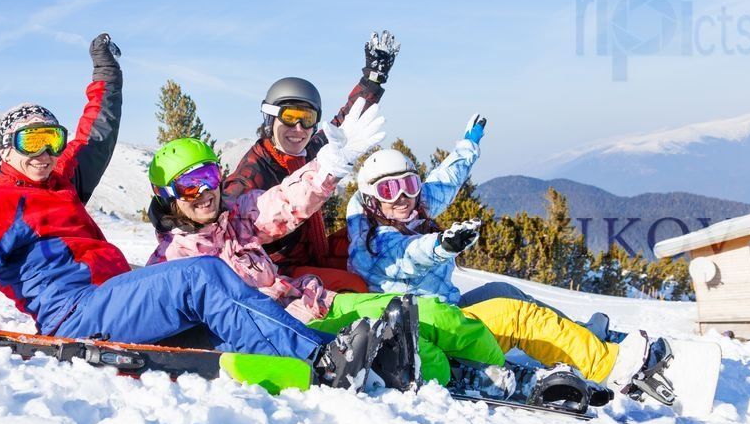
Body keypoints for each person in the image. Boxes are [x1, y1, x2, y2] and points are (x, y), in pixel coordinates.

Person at [0, 34, 383, 386]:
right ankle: (322, 360)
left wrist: (106, 74)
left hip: (115, 296)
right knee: (201, 275)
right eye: (30, 140)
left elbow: (94, 133)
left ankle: (340, 350)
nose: (45, 152)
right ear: (4, 149)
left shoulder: (57, 183)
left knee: (225, 318)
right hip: (78, 313)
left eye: (50, 139)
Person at [145, 104, 507, 391]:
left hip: (316, 300)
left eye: (208, 177)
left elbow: (287, 202)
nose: (204, 192)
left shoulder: (237, 216)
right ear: (167, 196)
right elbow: (167, 323)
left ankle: (502, 370)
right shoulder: (172, 261)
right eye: (189, 186)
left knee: (434, 315)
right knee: (419, 351)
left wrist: (330, 166)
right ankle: (462, 380)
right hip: (293, 327)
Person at [345, 143, 676, 402]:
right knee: (517, 316)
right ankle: (611, 367)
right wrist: (443, 246)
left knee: (504, 292)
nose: (403, 196)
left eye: (409, 184)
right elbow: (409, 256)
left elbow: (445, 181)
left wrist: (469, 144)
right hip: (427, 330)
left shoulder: (407, 212)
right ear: (373, 199)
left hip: (443, 312)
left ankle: (582, 339)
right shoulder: (376, 244)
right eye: (390, 190)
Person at [224, 31, 402, 293]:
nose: (298, 128)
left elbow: (345, 122)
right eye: (289, 116)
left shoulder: (309, 151)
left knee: (367, 241)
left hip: (315, 253)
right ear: (270, 119)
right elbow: (227, 216)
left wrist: (372, 80)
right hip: (283, 272)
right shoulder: (254, 169)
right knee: (355, 284)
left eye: (306, 118)